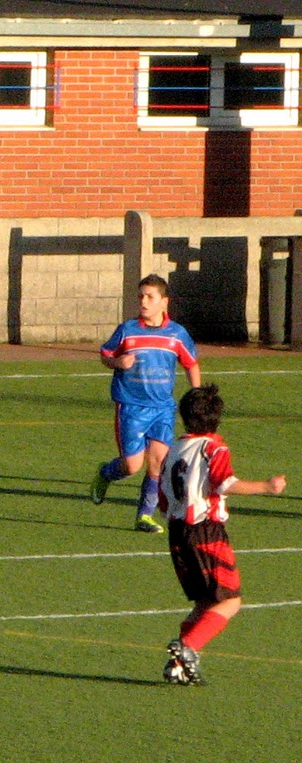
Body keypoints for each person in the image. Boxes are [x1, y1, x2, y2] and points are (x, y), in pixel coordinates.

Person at [156, 385, 284, 685]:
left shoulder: (172, 451)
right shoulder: (213, 448)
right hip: (206, 531)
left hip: (177, 532)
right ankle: (187, 648)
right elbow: (224, 483)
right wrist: (267, 486)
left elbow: (163, 501)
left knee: (205, 602)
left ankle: (179, 666)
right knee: (229, 601)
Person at [90, 273, 201, 532]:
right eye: (141, 296)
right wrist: (117, 362)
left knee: (158, 461)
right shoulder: (127, 330)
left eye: (150, 297)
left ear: (164, 302)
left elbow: (191, 364)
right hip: (131, 407)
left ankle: (144, 516)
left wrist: (197, 395)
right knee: (131, 465)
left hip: (163, 408)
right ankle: (105, 473)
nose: (143, 301)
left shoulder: (177, 334)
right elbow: (105, 354)